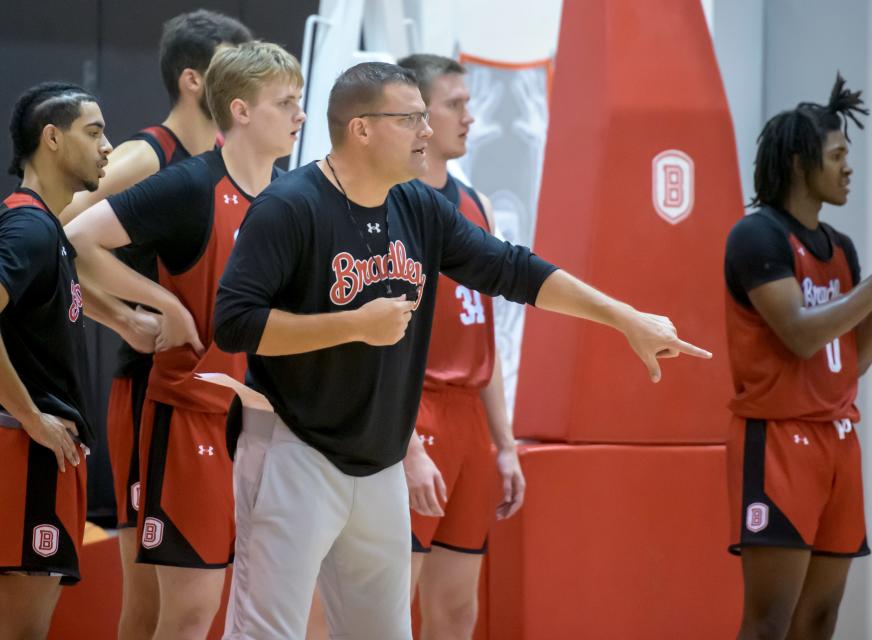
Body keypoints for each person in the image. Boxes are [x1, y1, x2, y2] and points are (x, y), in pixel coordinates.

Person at [213, 61, 711, 640]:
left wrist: (624, 318)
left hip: (378, 461)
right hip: (292, 447)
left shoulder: (418, 208)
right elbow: (235, 323)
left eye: (427, 117)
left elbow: (512, 269)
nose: (426, 131)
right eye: (411, 119)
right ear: (362, 129)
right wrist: (352, 325)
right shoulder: (290, 205)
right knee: (266, 634)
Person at [65, 42, 304, 639]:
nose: (300, 114)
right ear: (242, 110)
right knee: (181, 609)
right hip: (183, 412)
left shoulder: (293, 196)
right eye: (287, 102)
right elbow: (74, 238)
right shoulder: (187, 184)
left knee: (237, 608)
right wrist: (154, 305)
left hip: (262, 421)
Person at [724, 74, 872, 640]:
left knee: (820, 618)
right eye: (838, 154)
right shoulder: (757, 238)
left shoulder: (841, 248)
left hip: (838, 439)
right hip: (779, 440)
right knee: (768, 622)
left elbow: (847, 363)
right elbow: (800, 336)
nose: (849, 167)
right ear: (802, 162)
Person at [0, 81, 154, 638]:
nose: (109, 147)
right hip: (25, 452)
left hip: (39, 456)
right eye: (94, 132)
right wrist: (33, 418)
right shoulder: (29, 227)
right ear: (52, 139)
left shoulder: (48, 231)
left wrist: (128, 319)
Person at [395, 53, 518, 639]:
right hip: (416, 410)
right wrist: (407, 441)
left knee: (458, 610)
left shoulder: (478, 205)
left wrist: (506, 444)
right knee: (392, 603)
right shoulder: (387, 205)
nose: (470, 117)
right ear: (418, 114)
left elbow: (484, 333)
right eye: (456, 104)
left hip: (470, 415)